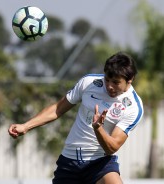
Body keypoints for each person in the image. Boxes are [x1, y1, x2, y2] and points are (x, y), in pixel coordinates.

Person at [8, 52, 144, 184]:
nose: (109, 86)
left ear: (129, 80)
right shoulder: (89, 83)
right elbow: (58, 109)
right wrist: (26, 126)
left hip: (99, 163)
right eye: (107, 79)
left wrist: (98, 128)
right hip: (70, 160)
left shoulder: (133, 107)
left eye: (115, 82)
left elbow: (112, 147)